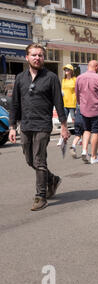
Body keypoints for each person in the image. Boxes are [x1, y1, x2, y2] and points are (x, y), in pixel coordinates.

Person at [8, 43, 69, 211]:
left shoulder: (51, 77)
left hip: (43, 125)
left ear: (43, 58)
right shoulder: (20, 78)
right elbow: (15, 104)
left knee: (39, 160)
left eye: (40, 55)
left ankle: (40, 196)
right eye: (34, 55)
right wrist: (12, 127)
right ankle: (52, 179)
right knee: (30, 160)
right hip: (25, 125)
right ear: (27, 57)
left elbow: (59, 102)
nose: (37, 58)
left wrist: (64, 126)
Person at [75, 60, 98, 164]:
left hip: (84, 109)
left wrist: (81, 104)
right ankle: (93, 156)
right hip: (96, 109)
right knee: (95, 132)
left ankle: (84, 150)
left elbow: (77, 93)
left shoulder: (79, 78)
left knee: (86, 130)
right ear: (96, 66)